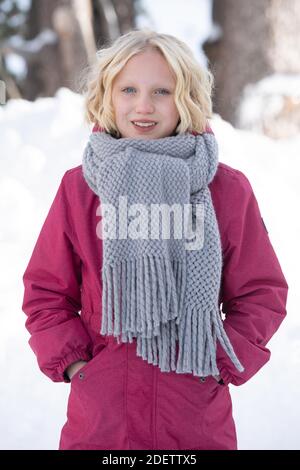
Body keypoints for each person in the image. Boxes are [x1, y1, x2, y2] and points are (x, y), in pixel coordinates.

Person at [22, 28, 288, 451]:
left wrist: (216, 364)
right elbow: (46, 292)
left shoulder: (226, 190)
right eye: (128, 89)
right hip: (101, 424)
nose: (143, 107)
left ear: (187, 98)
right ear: (107, 96)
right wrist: (78, 366)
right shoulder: (80, 189)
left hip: (195, 423)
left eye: (162, 91)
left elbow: (261, 292)